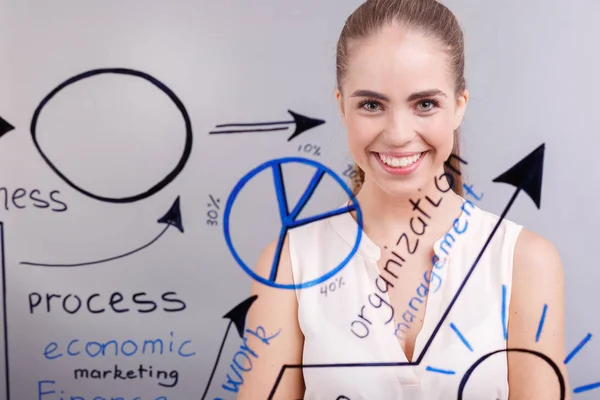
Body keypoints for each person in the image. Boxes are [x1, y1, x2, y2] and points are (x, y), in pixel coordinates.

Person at [238, 0, 570, 398]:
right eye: (372, 105)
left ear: (458, 106)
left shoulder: (524, 261)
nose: (398, 133)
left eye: (424, 104)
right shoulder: (289, 265)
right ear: (342, 107)